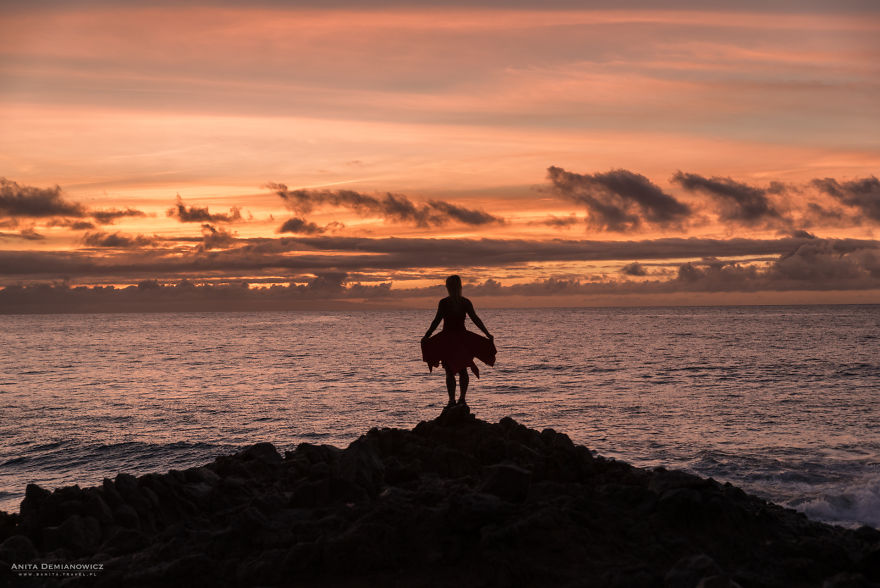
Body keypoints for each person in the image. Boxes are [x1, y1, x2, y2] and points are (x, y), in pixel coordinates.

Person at [421, 275, 496, 407]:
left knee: (450, 371)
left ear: (448, 287)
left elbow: (436, 321)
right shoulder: (464, 302)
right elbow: (475, 319)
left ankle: (452, 400)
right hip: (460, 340)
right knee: (462, 370)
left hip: (450, 340)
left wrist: (427, 336)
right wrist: (487, 334)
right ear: (460, 286)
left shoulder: (446, 302)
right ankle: (461, 399)